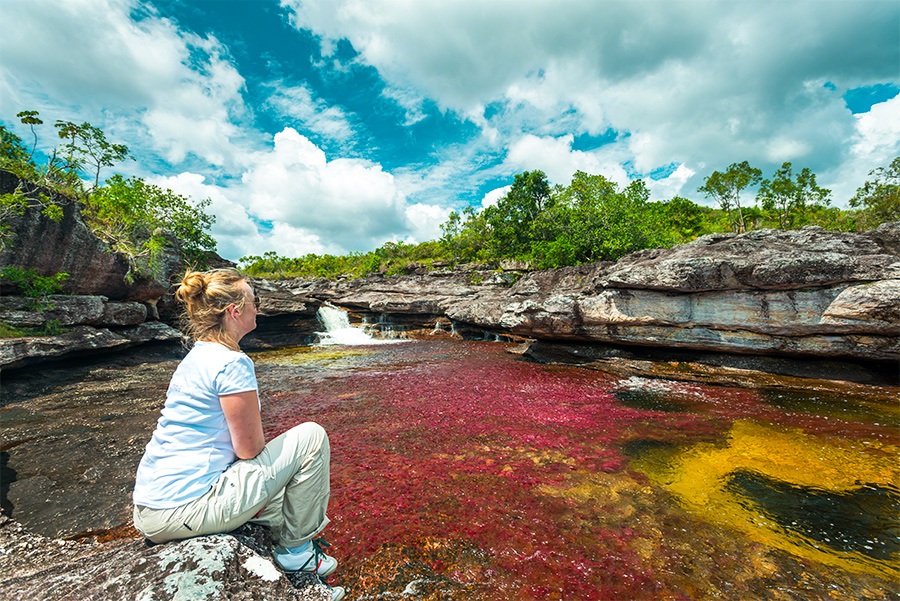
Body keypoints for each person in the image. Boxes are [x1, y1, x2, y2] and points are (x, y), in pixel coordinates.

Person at [132, 268, 344, 601]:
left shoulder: (197, 355)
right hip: (181, 512)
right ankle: (297, 554)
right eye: (254, 301)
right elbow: (248, 450)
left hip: (150, 508)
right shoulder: (232, 363)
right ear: (235, 311)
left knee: (277, 463)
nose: (258, 308)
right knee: (310, 437)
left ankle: (277, 533)